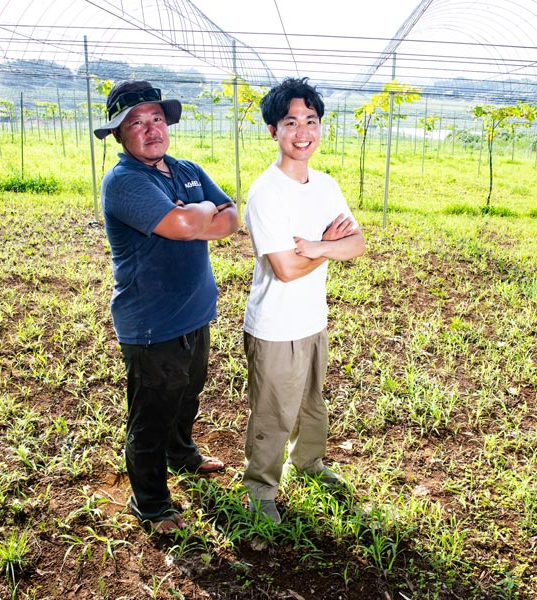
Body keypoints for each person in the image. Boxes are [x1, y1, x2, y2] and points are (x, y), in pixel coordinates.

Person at [94, 80, 239, 534]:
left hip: (195, 311)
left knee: (188, 392)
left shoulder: (186, 169)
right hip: (152, 323)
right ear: (119, 134)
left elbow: (232, 216)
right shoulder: (124, 181)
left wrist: (193, 214)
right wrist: (197, 215)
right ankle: (151, 502)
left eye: (156, 117)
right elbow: (179, 225)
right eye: (136, 122)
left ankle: (182, 453)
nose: (150, 128)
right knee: (151, 415)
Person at [241, 77, 365, 524]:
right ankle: (259, 489)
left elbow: (357, 243)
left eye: (311, 121)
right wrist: (323, 247)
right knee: (274, 412)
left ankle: (309, 462)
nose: (302, 131)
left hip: (313, 318)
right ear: (273, 131)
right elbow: (285, 269)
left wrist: (317, 245)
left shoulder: (326, 185)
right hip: (274, 324)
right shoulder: (265, 192)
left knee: (312, 402)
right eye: (290, 122)